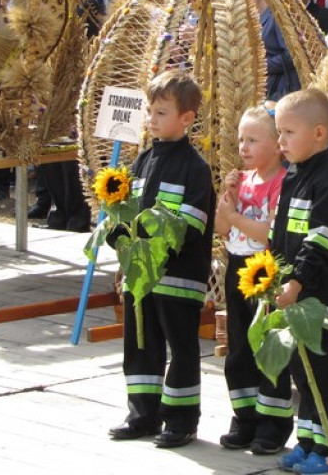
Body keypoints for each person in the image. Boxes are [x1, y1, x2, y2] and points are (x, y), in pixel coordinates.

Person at [107, 70, 215, 448]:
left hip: (177, 276)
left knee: (181, 346)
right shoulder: (142, 161)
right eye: (150, 111)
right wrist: (120, 248)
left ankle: (181, 419)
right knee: (139, 342)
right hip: (141, 275)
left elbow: (190, 225)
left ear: (186, 118)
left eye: (162, 112)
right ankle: (142, 414)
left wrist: (154, 249)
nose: (152, 119)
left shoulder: (195, 169)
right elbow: (127, 213)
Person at [271, 89, 328, 474]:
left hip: (321, 299)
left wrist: (297, 282)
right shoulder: (294, 178)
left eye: (288, 132)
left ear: (319, 134)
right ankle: (307, 444)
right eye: (278, 132)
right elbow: (280, 236)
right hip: (296, 296)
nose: (280, 141)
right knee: (302, 375)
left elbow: (319, 243)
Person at [215, 106, 293, 455]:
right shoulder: (242, 181)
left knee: (268, 347)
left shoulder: (283, 182)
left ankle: (272, 423)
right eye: (241, 139)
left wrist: (233, 215)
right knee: (239, 347)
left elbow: (267, 233)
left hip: (264, 270)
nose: (243, 147)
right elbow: (220, 230)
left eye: (252, 140)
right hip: (236, 267)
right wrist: (227, 201)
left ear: (277, 144)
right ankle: (244, 416)